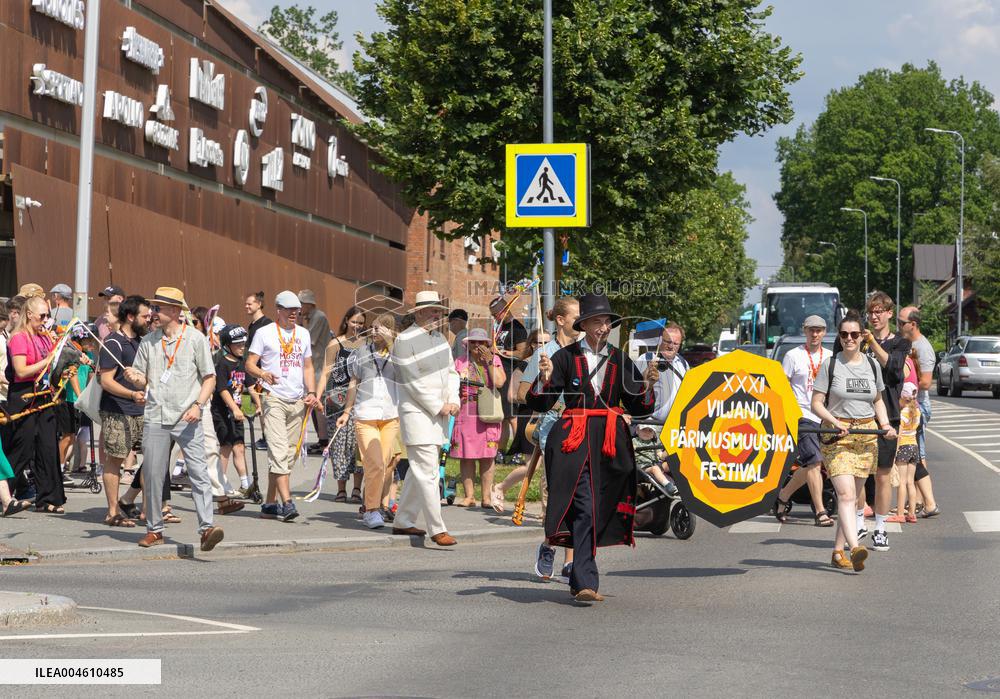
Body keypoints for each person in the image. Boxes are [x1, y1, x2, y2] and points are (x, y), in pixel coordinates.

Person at [525, 293, 657, 602]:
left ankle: (580, 573)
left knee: (599, 506)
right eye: (598, 321)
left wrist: (648, 384)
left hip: (609, 440)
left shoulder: (620, 359)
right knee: (584, 505)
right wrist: (544, 380)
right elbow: (541, 402)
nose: (604, 327)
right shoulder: (564, 357)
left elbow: (637, 405)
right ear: (584, 325)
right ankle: (585, 581)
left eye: (608, 321)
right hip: (575, 438)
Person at [124, 287, 224, 551]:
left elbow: (209, 378)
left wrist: (198, 405)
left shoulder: (195, 339)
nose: (154, 312)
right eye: (154, 308)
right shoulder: (148, 341)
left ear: (176, 311)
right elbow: (142, 376)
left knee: (199, 473)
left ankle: (206, 529)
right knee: (153, 475)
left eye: (159, 308)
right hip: (156, 415)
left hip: (187, 415)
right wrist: (135, 378)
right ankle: (155, 529)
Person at [811, 310, 897, 573]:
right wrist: (834, 422)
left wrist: (885, 425)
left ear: (862, 336)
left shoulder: (871, 365)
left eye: (854, 334)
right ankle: (854, 547)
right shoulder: (831, 364)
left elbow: (878, 400)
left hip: (867, 436)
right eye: (845, 334)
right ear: (840, 336)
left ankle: (837, 552)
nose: (849, 338)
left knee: (851, 498)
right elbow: (816, 403)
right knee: (846, 495)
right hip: (838, 436)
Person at [502, 296, 580, 581]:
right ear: (560, 320)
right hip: (553, 427)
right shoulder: (544, 353)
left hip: (583, 427)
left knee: (579, 495)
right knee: (556, 494)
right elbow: (522, 395)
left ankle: (571, 561)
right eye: (576, 316)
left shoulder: (586, 353)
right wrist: (545, 382)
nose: (581, 322)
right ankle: (549, 545)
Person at [390, 290, 460, 546]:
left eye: (439, 312)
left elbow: (452, 373)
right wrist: (438, 405)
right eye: (432, 311)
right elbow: (411, 381)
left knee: (417, 472)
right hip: (418, 415)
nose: (436, 316)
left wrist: (454, 400)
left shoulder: (441, 339)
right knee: (428, 472)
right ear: (419, 313)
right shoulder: (404, 340)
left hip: (439, 414)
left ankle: (403, 520)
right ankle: (437, 528)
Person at [245, 290, 320, 522]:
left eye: (297, 310)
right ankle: (287, 503)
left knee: (288, 455)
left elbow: (308, 366)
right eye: (289, 310)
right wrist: (263, 373)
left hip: (298, 400)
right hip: (273, 398)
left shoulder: (303, 334)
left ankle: (269, 503)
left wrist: (311, 392)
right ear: (278, 310)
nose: (294, 314)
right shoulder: (264, 333)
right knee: (277, 450)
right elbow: (249, 364)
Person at [335, 313, 400, 528]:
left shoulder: (399, 352)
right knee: (375, 464)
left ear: (390, 331)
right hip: (365, 415)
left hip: (390, 416)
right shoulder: (362, 351)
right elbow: (354, 382)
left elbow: (407, 375)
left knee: (384, 465)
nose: (372, 332)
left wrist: (391, 344)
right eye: (372, 328)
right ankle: (371, 510)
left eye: (378, 328)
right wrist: (346, 412)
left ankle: (374, 504)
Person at [771, 315, 834, 526]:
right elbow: (779, 387)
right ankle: (820, 512)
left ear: (824, 332)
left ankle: (783, 495)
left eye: (819, 330)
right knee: (815, 461)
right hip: (802, 416)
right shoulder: (792, 356)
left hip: (826, 417)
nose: (815, 334)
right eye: (811, 330)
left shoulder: (832, 357)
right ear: (804, 331)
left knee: (815, 464)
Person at [6, 295, 66, 513]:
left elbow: (51, 364)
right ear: (29, 314)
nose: (45, 319)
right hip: (23, 395)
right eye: (42, 315)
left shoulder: (44, 337)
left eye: (47, 315)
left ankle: (49, 498)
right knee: (21, 447)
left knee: (48, 446)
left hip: (44, 394)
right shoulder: (19, 337)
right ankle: (5, 496)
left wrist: (62, 367)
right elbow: (21, 371)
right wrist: (48, 360)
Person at [861, 291, 911, 553]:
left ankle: (880, 529)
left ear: (890, 313)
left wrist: (872, 343)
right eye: (871, 311)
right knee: (855, 473)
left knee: (882, 476)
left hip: (888, 416)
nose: (875, 315)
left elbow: (893, 371)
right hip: (857, 416)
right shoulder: (856, 339)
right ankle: (858, 519)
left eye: (880, 310)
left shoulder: (900, 343)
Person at [98, 295, 150, 527]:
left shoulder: (143, 341)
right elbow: (106, 381)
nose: (148, 320)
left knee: (151, 460)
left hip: (142, 410)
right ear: (131, 317)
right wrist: (131, 394)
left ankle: (147, 509)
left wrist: (143, 385)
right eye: (144, 316)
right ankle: (112, 511)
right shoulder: (113, 342)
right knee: (116, 459)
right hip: (117, 410)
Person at [451, 327, 506, 508]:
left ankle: (486, 497)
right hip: (466, 410)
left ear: (487, 344)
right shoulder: (460, 361)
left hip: (488, 410)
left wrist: (489, 361)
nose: (476, 345)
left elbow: (499, 382)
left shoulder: (494, 359)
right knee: (466, 455)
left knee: (487, 456)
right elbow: (451, 385)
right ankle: (469, 496)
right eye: (473, 342)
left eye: (480, 342)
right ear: (467, 344)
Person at [317, 306, 366, 503]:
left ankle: (356, 489)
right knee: (338, 446)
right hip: (336, 401)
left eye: (361, 323)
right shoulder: (335, 343)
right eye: (354, 322)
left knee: (357, 446)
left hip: (361, 400)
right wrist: (317, 397)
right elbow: (325, 373)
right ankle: (341, 489)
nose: (357, 326)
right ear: (346, 321)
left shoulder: (367, 344)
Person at [897, 306, 941, 518]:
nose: (898, 325)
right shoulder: (909, 344)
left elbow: (925, 382)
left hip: (917, 407)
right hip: (909, 405)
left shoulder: (923, 347)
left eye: (901, 322)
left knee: (917, 455)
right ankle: (921, 501)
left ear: (912, 324)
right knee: (912, 454)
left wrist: (904, 383)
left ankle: (929, 502)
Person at [212, 324, 259, 499]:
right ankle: (220, 482)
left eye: (243, 344)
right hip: (222, 411)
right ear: (227, 345)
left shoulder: (242, 364)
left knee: (239, 446)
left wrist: (258, 404)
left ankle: (246, 484)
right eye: (237, 344)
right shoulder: (222, 365)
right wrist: (233, 408)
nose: (241, 347)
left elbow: (251, 386)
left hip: (238, 411)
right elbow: (223, 390)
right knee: (226, 446)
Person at [490, 295, 528, 462]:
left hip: (511, 374)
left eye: (496, 314)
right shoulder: (500, 328)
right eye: (492, 315)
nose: (494, 318)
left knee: (512, 415)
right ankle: (501, 450)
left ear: (504, 310)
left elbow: (523, 352)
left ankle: (519, 451)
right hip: (500, 374)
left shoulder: (517, 328)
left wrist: (502, 352)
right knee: (503, 416)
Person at [634, 321, 689, 424]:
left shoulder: (683, 363)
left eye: (676, 343)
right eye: (668, 341)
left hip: (675, 427)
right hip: (650, 426)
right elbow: (633, 393)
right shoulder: (645, 359)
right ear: (660, 341)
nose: (671, 346)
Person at [887, 357, 920, 523]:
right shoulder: (917, 412)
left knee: (901, 482)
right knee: (910, 483)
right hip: (914, 447)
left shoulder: (902, 414)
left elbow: (899, 434)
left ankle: (900, 513)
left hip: (904, 447)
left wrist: (894, 453)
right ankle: (912, 513)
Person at [298, 290, 332, 453]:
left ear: (309, 304)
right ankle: (321, 439)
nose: (298, 307)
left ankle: (324, 440)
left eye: (301, 304)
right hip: (314, 367)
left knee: (319, 404)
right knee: (314, 404)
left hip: (318, 368)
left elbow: (307, 340)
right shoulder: (311, 318)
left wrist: (298, 323)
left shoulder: (318, 317)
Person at [245, 290, 272, 451]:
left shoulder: (267, 324)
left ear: (259, 304)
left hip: (260, 373)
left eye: (250, 303)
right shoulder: (252, 325)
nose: (246, 306)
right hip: (250, 372)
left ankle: (267, 437)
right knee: (249, 403)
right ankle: (254, 435)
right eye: (246, 303)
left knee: (261, 402)